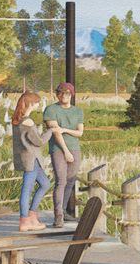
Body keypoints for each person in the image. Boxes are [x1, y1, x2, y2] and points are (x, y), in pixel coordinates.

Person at [42, 83, 85, 228]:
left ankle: (64, 210)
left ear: (71, 94)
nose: (63, 95)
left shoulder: (78, 111)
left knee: (71, 180)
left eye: (66, 93)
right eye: (60, 93)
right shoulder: (51, 110)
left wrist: (65, 129)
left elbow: (80, 132)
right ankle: (58, 215)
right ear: (57, 94)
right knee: (61, 181)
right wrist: (66, 151)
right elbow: (55, 132)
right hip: (58, 149)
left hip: (75, 148)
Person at [11, 92, 53, 232]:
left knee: (45, 184)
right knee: (27, 189)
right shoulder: (27, 121)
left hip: (28, 158)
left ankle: (32, 215)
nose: (37, 104)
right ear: (30, 103)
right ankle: (24, 220)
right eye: (36, 102)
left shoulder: (18, 119)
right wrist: (51, 131)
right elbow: (39, 141)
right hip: (31, 159)